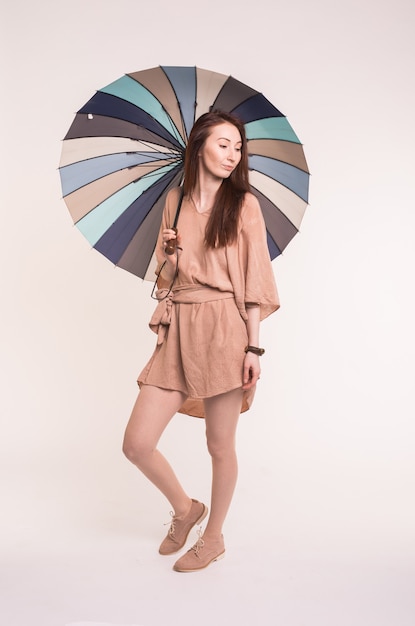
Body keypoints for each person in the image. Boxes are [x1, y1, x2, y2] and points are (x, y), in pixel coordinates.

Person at [122, 110, 279, 572]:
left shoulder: (245, 205)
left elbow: (255, 283)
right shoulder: (174, 201)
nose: (233, 154)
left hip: (225, 330)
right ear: (199, 147)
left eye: (238, 146)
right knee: (136, 443)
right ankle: (187, 509)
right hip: (178, 326)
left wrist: (253, 348)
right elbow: (165, 280)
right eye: (223, 144)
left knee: (219, 444)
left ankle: (214, 537)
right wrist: (169, 252)